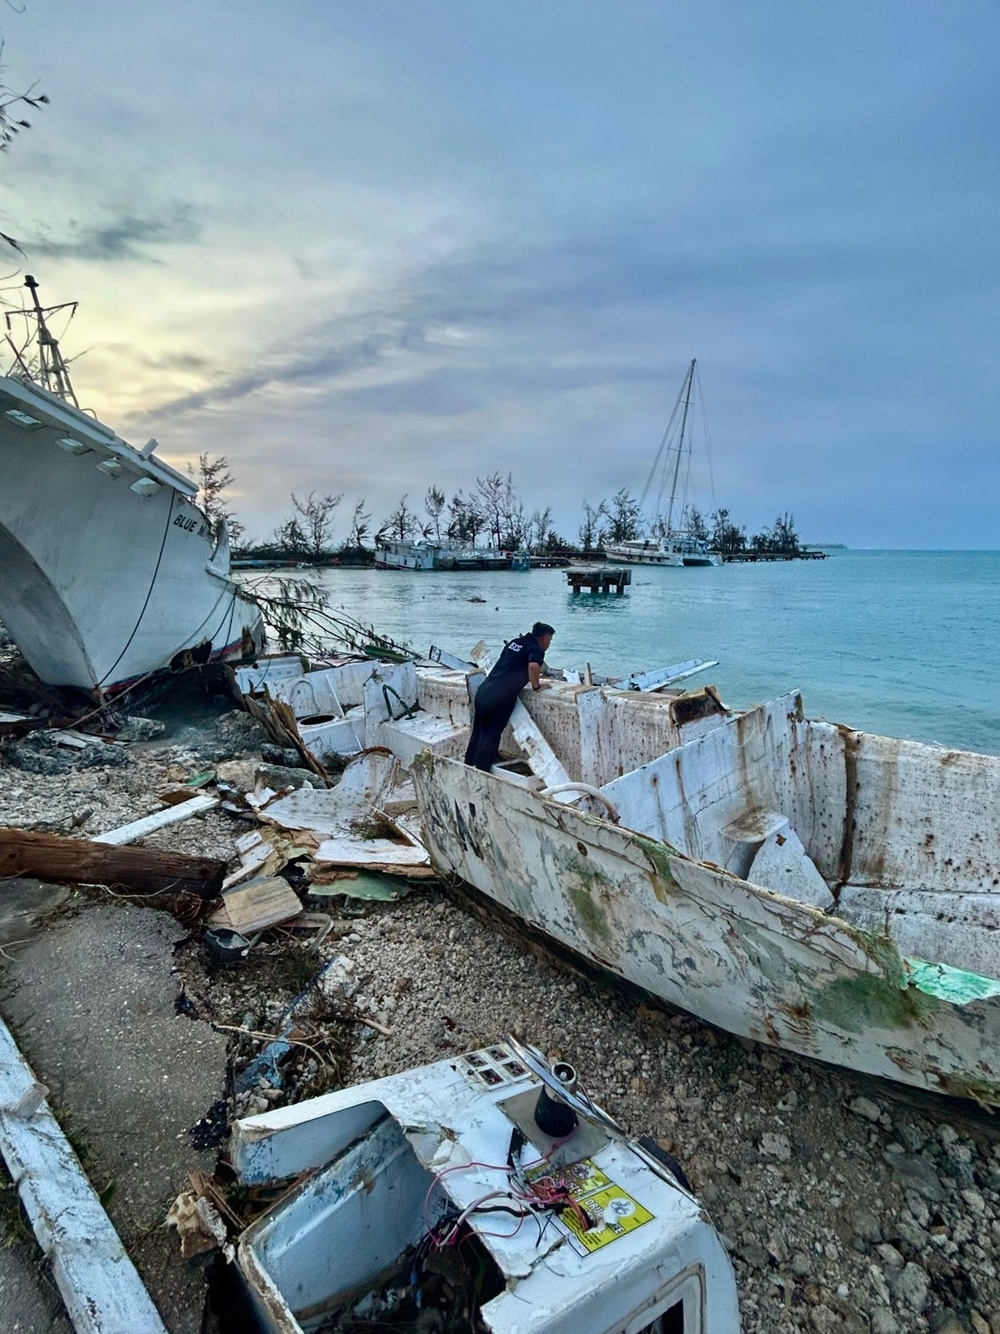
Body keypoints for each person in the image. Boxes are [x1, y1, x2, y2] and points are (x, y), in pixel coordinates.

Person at [464, 621, 555, 772]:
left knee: (478, 732)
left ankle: (468, 766)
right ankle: (481, 772)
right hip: (498, 697)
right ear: (544, 638)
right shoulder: (535, 649)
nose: (549, 644)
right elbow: (533, 666)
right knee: (491, 734)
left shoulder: (515, 642)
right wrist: (536, 686)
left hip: (484, 690)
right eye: (550, 640)